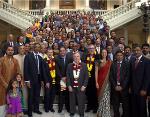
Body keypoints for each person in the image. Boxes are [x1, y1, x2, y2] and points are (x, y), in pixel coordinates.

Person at [24, 43, 48, 117]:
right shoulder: (28, 56)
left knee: (37, 95)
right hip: (30, 80)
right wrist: (27, 80)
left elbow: (42, 70)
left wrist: (43, 80)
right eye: (36, 47)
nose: (37, 48)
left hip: (38, 79)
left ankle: (36, 109)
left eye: (38, 47)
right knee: (31, 95)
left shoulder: (40, 57)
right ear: (33, 47)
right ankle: (30, 111)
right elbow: (26, 69)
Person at [67, 52, 89, 117]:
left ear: (80, 57)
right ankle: (72, 111)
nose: (76, 58)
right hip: (72, 86)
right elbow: (67, 76)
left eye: (78, 56)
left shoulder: (84, 65)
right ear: (73, 58)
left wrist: (84, 86)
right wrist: (69, 86)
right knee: (72, 100)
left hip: (81, 86)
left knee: (81, 100)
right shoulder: (69, 65)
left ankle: (81, 112)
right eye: (75, 56)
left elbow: (86, 77)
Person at [0, 46, 20, 117]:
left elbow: (18, 73)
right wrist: (4, 84)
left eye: (12, 50)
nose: (10, 51)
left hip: (13, 86)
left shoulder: (15, 61)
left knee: (12, 102)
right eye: (9, 50)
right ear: (6, 51)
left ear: (13, 51)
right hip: (2, 85)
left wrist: (16, 83)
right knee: (2, 101)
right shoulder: (1, 60)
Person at [130, 45, 150, 117]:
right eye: (135, 50)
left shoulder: (147, 61)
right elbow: (130, 75)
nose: (136, 52)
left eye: (138, 50)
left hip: (142, 89)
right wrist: (130, 87)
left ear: (141, 51)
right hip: (133, 88)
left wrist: (144, 89)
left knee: (142, 107)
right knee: (134, 107)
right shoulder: (132, 60)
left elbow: (147, 77)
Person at [109, 50, 130, 117]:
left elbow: (128, 76)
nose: (119, 57)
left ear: (123, 56)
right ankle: (116, 115)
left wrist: (122, 86)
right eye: (118, 55)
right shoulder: (113, 64)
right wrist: (115, 86)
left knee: (125, 104)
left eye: (121, 55)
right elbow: (111, 76)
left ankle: (125, 115)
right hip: (115, 88)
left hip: (124, 88)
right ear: (115, 56)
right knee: (115, 103)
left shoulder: (127, 64)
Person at [95, 49, 112, 117]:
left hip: (108, 82)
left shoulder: (110, 62)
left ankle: (106, 113)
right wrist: (96, 82)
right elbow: (96, 72)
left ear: (107, 53)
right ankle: (100, 113)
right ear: (101, 53)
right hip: (99, 81)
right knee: (100, 97)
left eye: (105, 52)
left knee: (106, 97)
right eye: (103, 52)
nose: (104, 53)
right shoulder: (97, 62)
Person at [84, 44, 99, 113]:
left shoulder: (97, 56)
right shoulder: (85, 56)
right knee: (88, 93)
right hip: (87, 78)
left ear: (95, 49)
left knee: (94, 93)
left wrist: (96, 81)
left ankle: (95, 107)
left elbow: (97, 68)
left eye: (92, 48)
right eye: (90, 48)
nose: (91, 49)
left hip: (94, 78)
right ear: (88, 49)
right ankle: (89, 107)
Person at [55, 46, 70, 113]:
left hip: (68, 79)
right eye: (61, 51)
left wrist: (66, 77)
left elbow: (70, 69)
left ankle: (68, 107)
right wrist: (62, 77)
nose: (62, 52)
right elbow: (57, 70)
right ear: (59, 52)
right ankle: (60, 108)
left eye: (63, 50)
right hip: (61, 80)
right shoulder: (57, 59)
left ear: (65, 51)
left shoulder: (69, 59)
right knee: (61, 95)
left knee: (67, 94)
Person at [43, 48, 57, 113]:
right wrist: (46, 82)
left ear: (53, 53)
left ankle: (51, 107)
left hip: (54, 80)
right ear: (47, 53)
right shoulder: (44, 60)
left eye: (51, 52)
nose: (50, 53)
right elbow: (44, 72)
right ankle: (46, 107)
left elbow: (57, 70)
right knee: (47, 95)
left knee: (52, 95)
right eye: (49, 52)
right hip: (48, 81)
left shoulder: (55, 60)